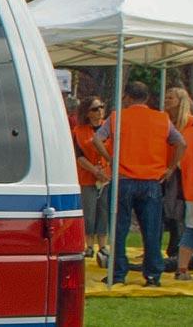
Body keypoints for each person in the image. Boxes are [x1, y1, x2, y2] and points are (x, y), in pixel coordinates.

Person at [95, 81, 188, 286]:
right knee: (152, 231)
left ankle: (118, 273)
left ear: (127, 97)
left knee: (119, 230)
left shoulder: (117, 117)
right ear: (146, 98)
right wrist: (170, 168)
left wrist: (112, 159)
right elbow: (181, 142)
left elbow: (97, 139)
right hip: (151, 181)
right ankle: (153, 275)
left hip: (124, 180)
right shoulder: (161, 119)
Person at [73, 96, 111, 266]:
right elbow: (79, 156)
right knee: (89, 212)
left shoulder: (110, 128)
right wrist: (95, 170)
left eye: (101, 107)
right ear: (87, 112)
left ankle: (103, 245)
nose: (99, 111)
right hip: (88, 176)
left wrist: (105, 171)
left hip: (107, 176)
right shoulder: (79, 131)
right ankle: (88, 245)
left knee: (104, 211)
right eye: (95, 109)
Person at [168, 87, 193, 280]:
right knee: (190, 228)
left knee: (190, 228)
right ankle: (182, 268)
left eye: (170, 98)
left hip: (188, 186)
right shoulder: (183, 128)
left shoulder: (186, 129)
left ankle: (182, 268)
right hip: (188, 186)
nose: (166, 101)